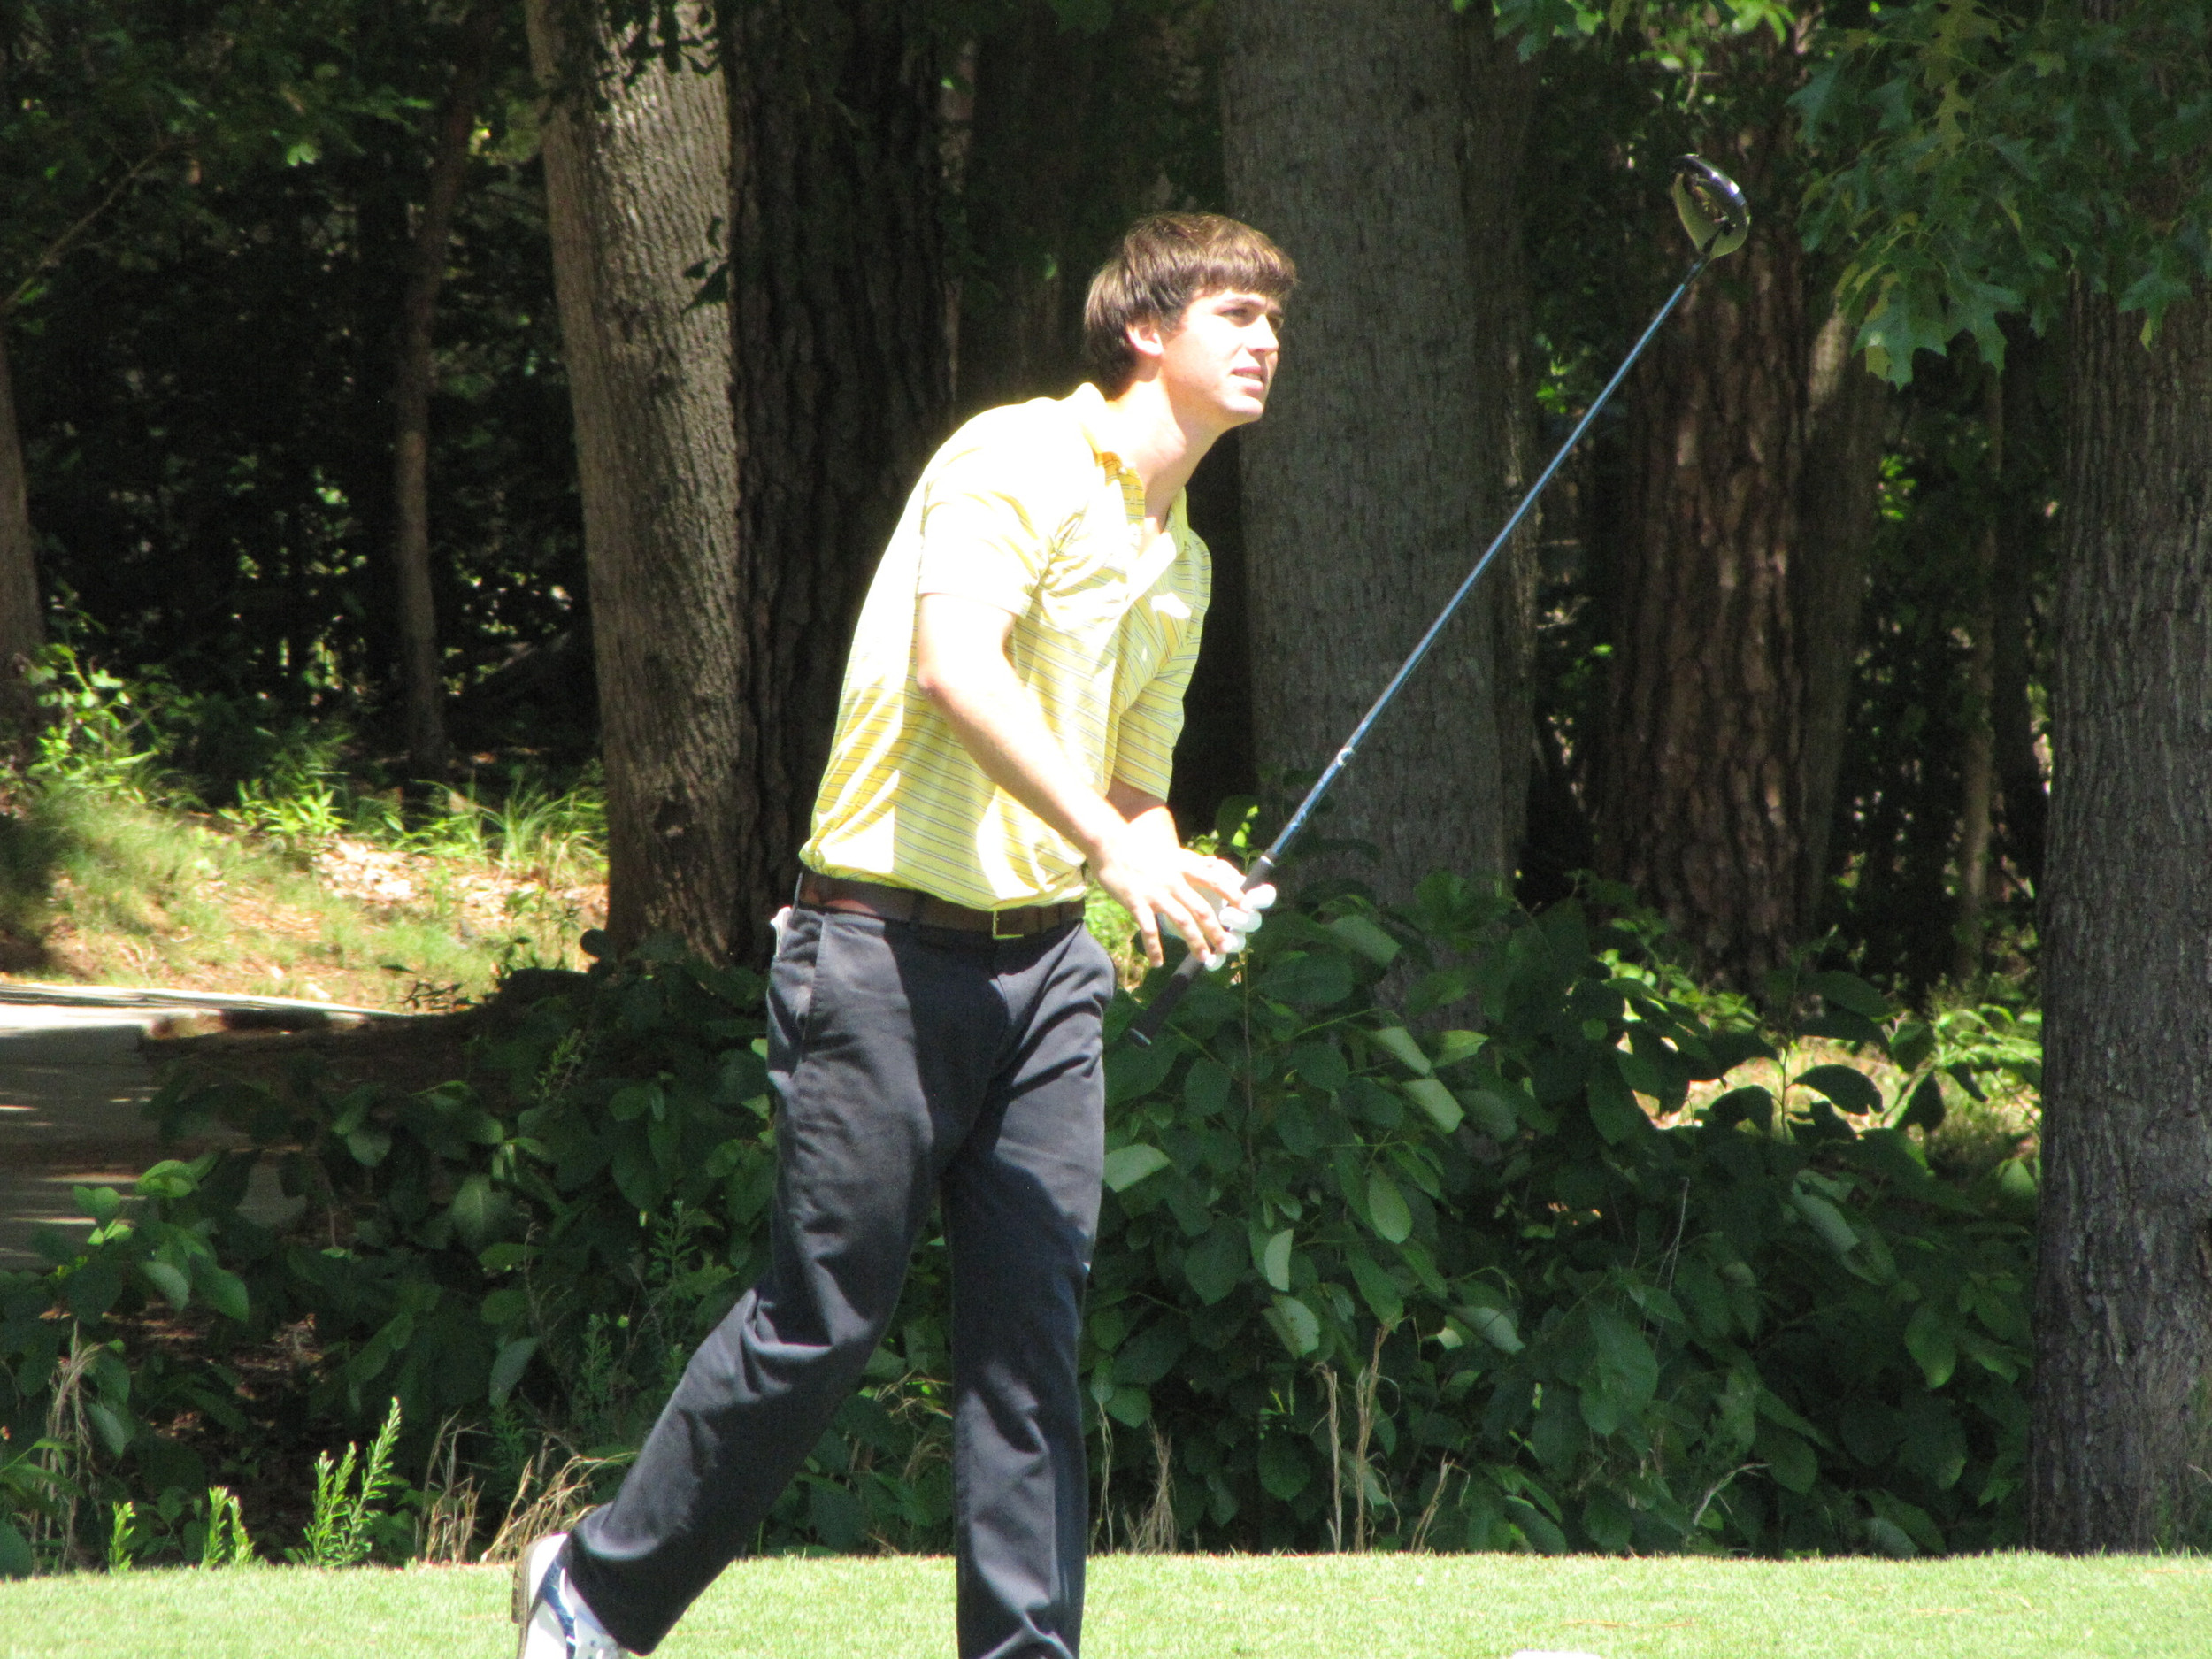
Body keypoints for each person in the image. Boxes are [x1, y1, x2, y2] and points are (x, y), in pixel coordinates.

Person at [514, 211, 1294, 1659]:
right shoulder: (1016, 460)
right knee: (822, 1323)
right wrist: (1121, 842)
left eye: (1272, 321)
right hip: (875, 949)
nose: (1264, 341)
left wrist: (1173, 877)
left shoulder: (1179, 556)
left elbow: (1133, 793)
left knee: (1031, 1352)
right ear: (1145, 329)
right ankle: (598, 1592)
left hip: (1049, 968)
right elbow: (955, 670)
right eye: (1235, 313)